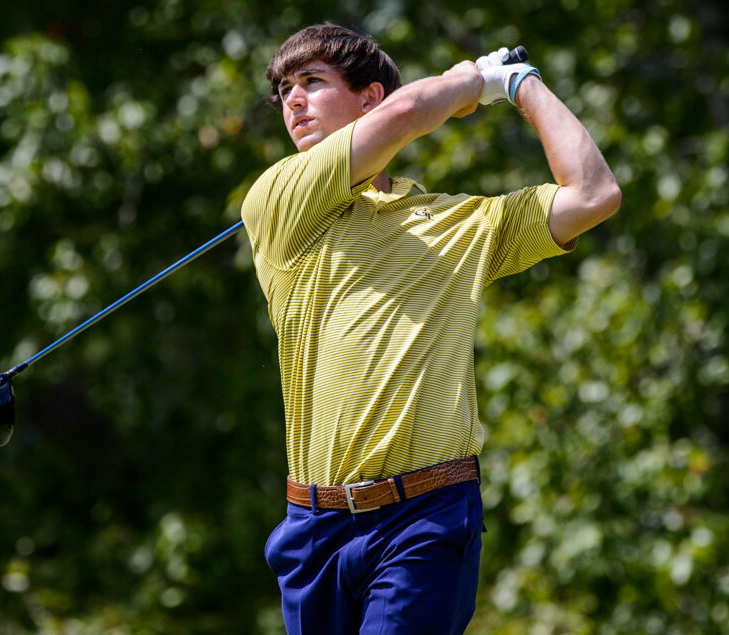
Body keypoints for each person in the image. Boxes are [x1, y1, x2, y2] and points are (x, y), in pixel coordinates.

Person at [240, 23, 621, 634]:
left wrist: (521, 86)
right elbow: (414, 108)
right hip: (313, 529)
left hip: (425, 516)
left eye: (312, 82)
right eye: (284, 89)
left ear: (370, 99)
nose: (293, 100)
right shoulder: (280, 200)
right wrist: (473, 81)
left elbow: (594, 193)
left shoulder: (457, 223)